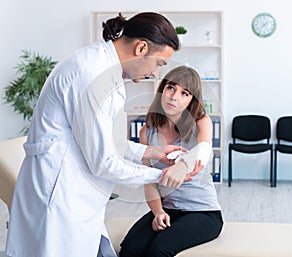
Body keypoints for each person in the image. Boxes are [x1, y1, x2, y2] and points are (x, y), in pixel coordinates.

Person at [6, 13, 202, 257]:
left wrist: (151, 151)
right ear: (141, 48)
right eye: (159, 63)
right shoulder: (91, 74)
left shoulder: (103, 69)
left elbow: (105, 139)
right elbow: (104, 161)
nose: (156, 73)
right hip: (60, 193)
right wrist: (161, 175)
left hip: (75, 192)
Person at [119, 66, 224, 257]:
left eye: (184, 93)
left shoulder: (200, 122)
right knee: (130, 248)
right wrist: (158, 212)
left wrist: (182, 166)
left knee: (159, 250)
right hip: (168, 210)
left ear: (191, 100)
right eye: (171, 88)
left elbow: (205, 148)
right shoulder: (146, 132)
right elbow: (149, 180)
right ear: (162, 89)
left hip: (203, 213)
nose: (174, 97)